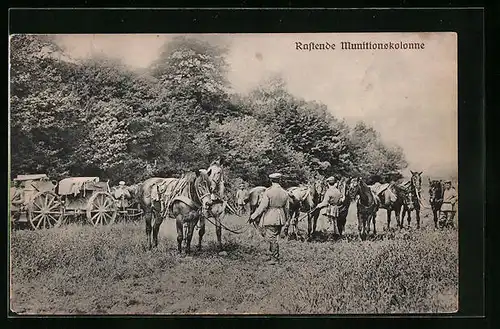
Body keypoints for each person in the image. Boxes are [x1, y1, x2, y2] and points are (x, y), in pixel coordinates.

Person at [250, 173, 289, 265]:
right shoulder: (284, 192)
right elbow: (287, 208)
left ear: (271, 180)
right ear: (279, 180)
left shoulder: (268, 191)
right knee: (275, 236)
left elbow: (263, 206)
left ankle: (275, 258)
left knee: (271, 238)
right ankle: (273, 255)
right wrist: (286, 219)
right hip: (281, 217)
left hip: (271, 216)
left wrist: (253, 216)